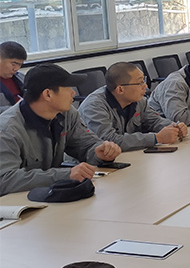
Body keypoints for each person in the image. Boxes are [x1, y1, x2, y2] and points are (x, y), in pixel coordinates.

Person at [0, 64, 122, 196]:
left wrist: (99, 153)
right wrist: (64, 175)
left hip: (49, 195)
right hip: (15, 202)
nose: (73, 93)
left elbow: (86, 144)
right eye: (68, 88)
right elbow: (5, 179)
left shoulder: (66, 114)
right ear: (48, 94)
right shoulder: (7, 129)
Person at [79, 62, 188, 151]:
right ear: (120, 89)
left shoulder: (139, 101)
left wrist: (174, 127)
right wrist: (156, 138)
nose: (145, 86)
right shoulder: (94, 107)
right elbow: (109, 141)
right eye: (140, 82)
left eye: (144, 80)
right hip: (89, 165)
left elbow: (154, 121)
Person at [0, 41, 27, 115]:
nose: (16, 69)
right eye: (13, 64)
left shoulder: (22, 77)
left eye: (20, 65)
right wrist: (17, 108)